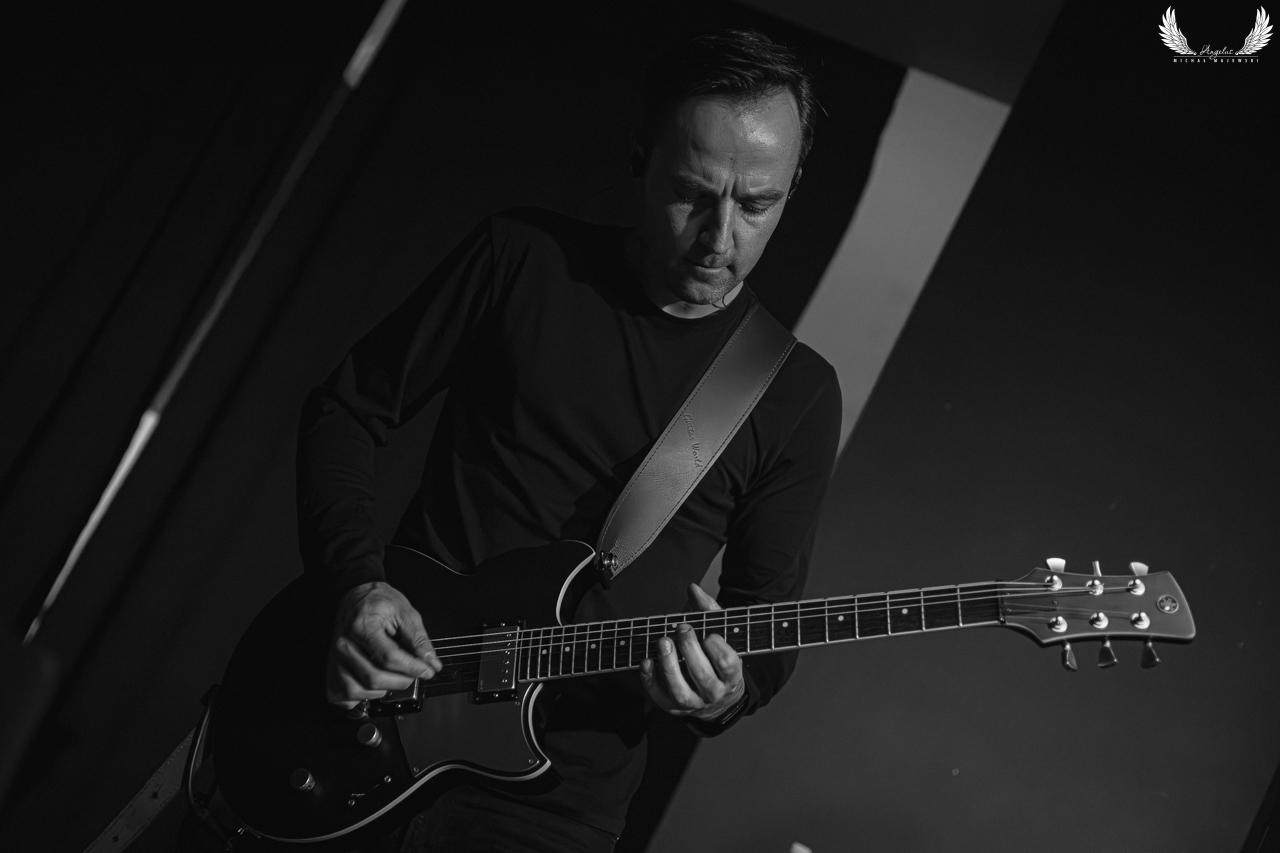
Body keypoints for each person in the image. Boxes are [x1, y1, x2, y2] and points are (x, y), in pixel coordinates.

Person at [296, 28, 842, 852]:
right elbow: (347, 408)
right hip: (372, 716)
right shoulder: (522, 259)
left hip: (554, 803)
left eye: (757, 204)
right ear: (640, 157)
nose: (719, 237)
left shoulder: (794, 391)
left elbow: (764, 628)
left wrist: (723, 688)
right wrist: (354, 584)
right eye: (692, 194)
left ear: (792, 186)